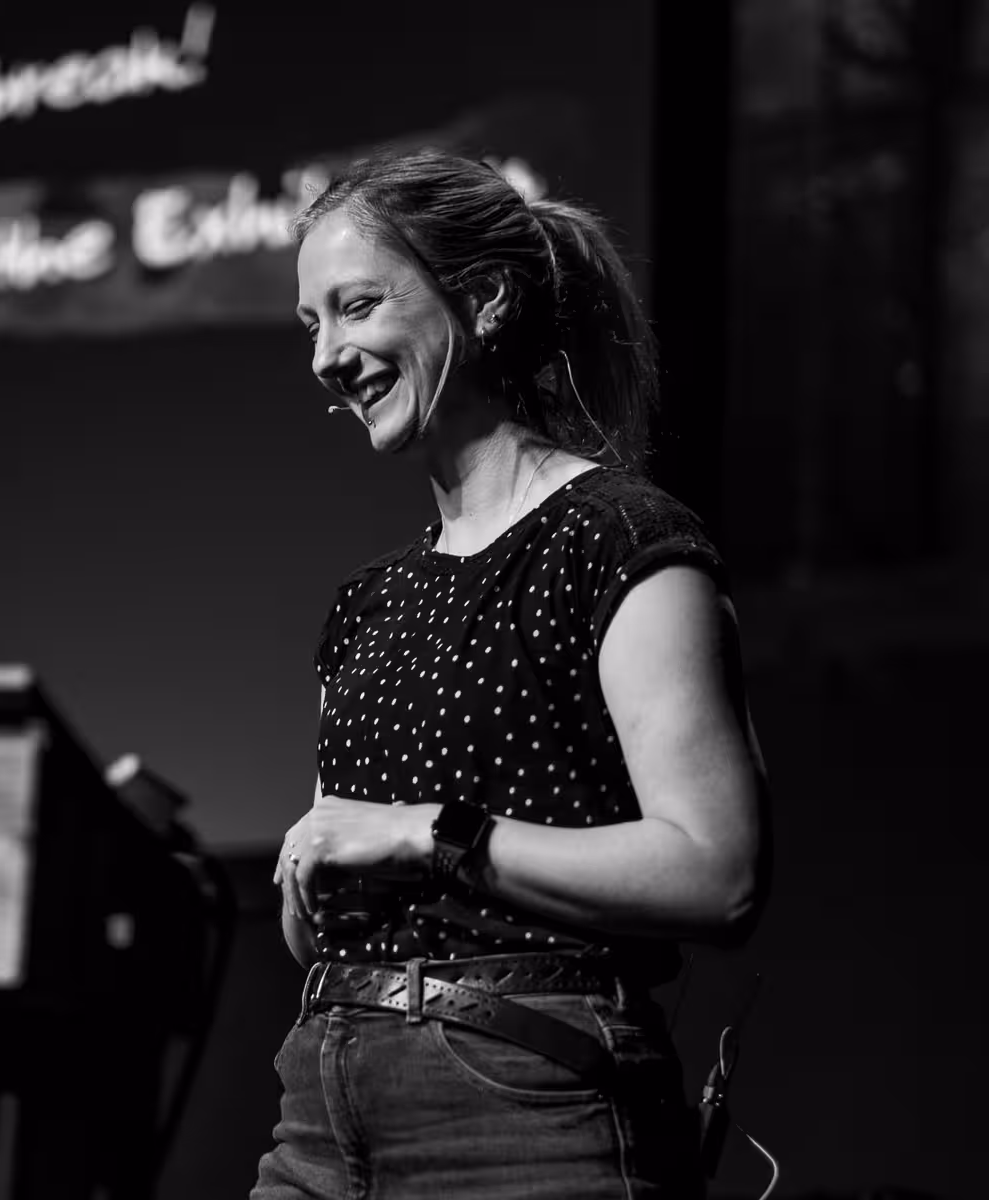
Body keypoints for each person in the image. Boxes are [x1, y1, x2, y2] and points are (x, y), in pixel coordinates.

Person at [254, 149, 770, 1199]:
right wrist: (312, 881)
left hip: (521, 1097)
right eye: (311, 324)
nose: (326, 357)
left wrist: (424, 832)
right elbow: (327, 902)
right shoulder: (370, 602)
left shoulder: (618, 541)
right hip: (320, 1104)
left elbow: (718, 873)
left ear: (485, 300)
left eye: (357, 306)